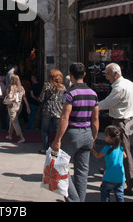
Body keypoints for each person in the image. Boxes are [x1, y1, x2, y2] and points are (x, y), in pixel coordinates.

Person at [51, 62, 99, 202]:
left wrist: (57, 139)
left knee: (60, 166)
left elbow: (65, 117)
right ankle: (79, 199)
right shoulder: (93, 94)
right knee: (82, 173)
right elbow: (95, 118)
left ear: (70, 76)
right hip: (87, 133)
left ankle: (73, 200)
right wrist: (94, 137)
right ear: (84, 75)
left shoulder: (70, 93)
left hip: (72, 133)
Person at [98, 62, 133, 196]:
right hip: (128, 119)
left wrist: (94, 106)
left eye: (108, 74)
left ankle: (130, 185)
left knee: (124, 150)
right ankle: (110, 170)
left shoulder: (119, 87)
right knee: (120, 148)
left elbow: (108, 102)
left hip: (121, 121)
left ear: (116, 73)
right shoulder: (129, 83)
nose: (107, 77)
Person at [91, 125, 126, 202]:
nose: (104, 136)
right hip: (120, 177)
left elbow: (97, 156)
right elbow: (125, 156)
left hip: (109, 176)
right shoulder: (120, 147)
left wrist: (91, 149)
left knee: (105, 192)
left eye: (105, 135)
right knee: (119, 194)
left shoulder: (107, 148)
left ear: (110, 137)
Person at [39, 68, 66, 154]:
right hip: (58, 111)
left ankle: (45, 148)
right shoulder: (63, 87)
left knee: (45, 130)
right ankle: (56, 148)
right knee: (57, 131)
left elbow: (41, 98)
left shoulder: (47, 86)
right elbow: (64, 100)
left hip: (47, 111)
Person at [6, 74, 30, 143]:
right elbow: (24, 98)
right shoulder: (22, 88)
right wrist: (28, 107)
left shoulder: (12, 87)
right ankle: (10, 135)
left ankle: (22, 137)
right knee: (12, 120)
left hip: (12, 106)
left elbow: (10, 97)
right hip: (19, 106)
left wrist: (7, 93)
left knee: (15, 121)